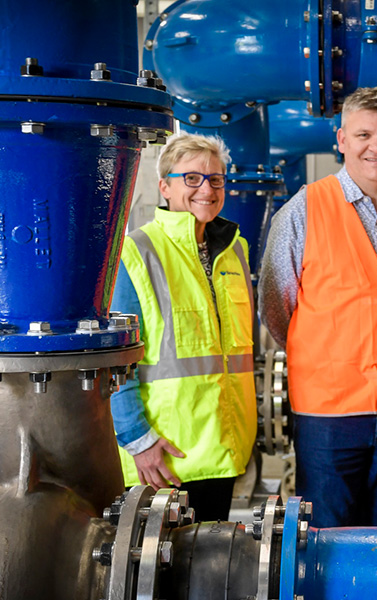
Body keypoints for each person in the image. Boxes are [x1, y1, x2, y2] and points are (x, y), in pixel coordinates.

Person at [259, 86, 377, 528]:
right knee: (328, 540)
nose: (375, 148)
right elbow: (276, 307)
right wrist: (324, 352)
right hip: (328, 414)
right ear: (341, 139)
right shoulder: (303, 209)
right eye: (364, 135)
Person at [110, 132, 257, 522]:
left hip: (223, 452)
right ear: (165, 187)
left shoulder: (233, 251)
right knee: (155, 578)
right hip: (164, 460)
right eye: (191, 178)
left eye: (216, 179)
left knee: (210, 574)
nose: (206, 189)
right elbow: (112, 362)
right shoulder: (136, 252)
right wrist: (138, 441)